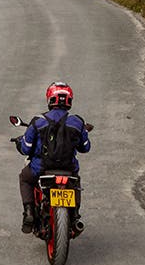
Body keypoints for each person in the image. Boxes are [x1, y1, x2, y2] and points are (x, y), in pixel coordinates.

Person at [13, 81, 91, 234]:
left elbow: (25, 148)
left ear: (49, 99)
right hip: (69, 170)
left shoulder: (37, 121)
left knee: (25, 178)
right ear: (69, 101)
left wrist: (19, 143)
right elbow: (85, 148)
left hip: (41, 169)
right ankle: (74, 217)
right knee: (75, 184)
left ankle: (29, 212)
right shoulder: (78, 122)